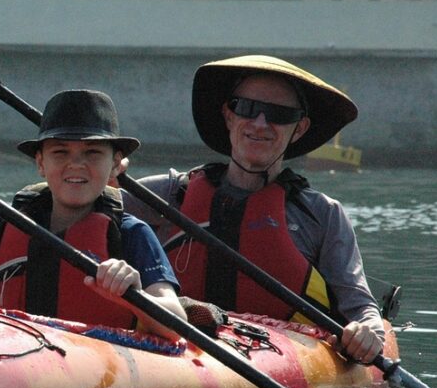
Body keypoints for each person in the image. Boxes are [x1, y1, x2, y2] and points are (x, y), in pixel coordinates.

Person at [121, 55, 384, 364]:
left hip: (278, 362)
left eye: (278, 114)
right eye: (246, 108)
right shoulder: (165, 194)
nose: (259, 123)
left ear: (299, 128)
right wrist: (100, 171)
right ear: (228, 116)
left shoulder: (323, 214)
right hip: (176, 353)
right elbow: (86, 203)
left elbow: (361, 308)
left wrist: (368, 331)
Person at [0, 89, 185, 339]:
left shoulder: (131, 233)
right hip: (10, 361)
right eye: (60, 152)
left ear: (115, 165)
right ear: (40, 163)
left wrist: (135, 295)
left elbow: (176, 322)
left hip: (100, 369)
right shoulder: (5, 223)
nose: (76, 164)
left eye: (93, 153)